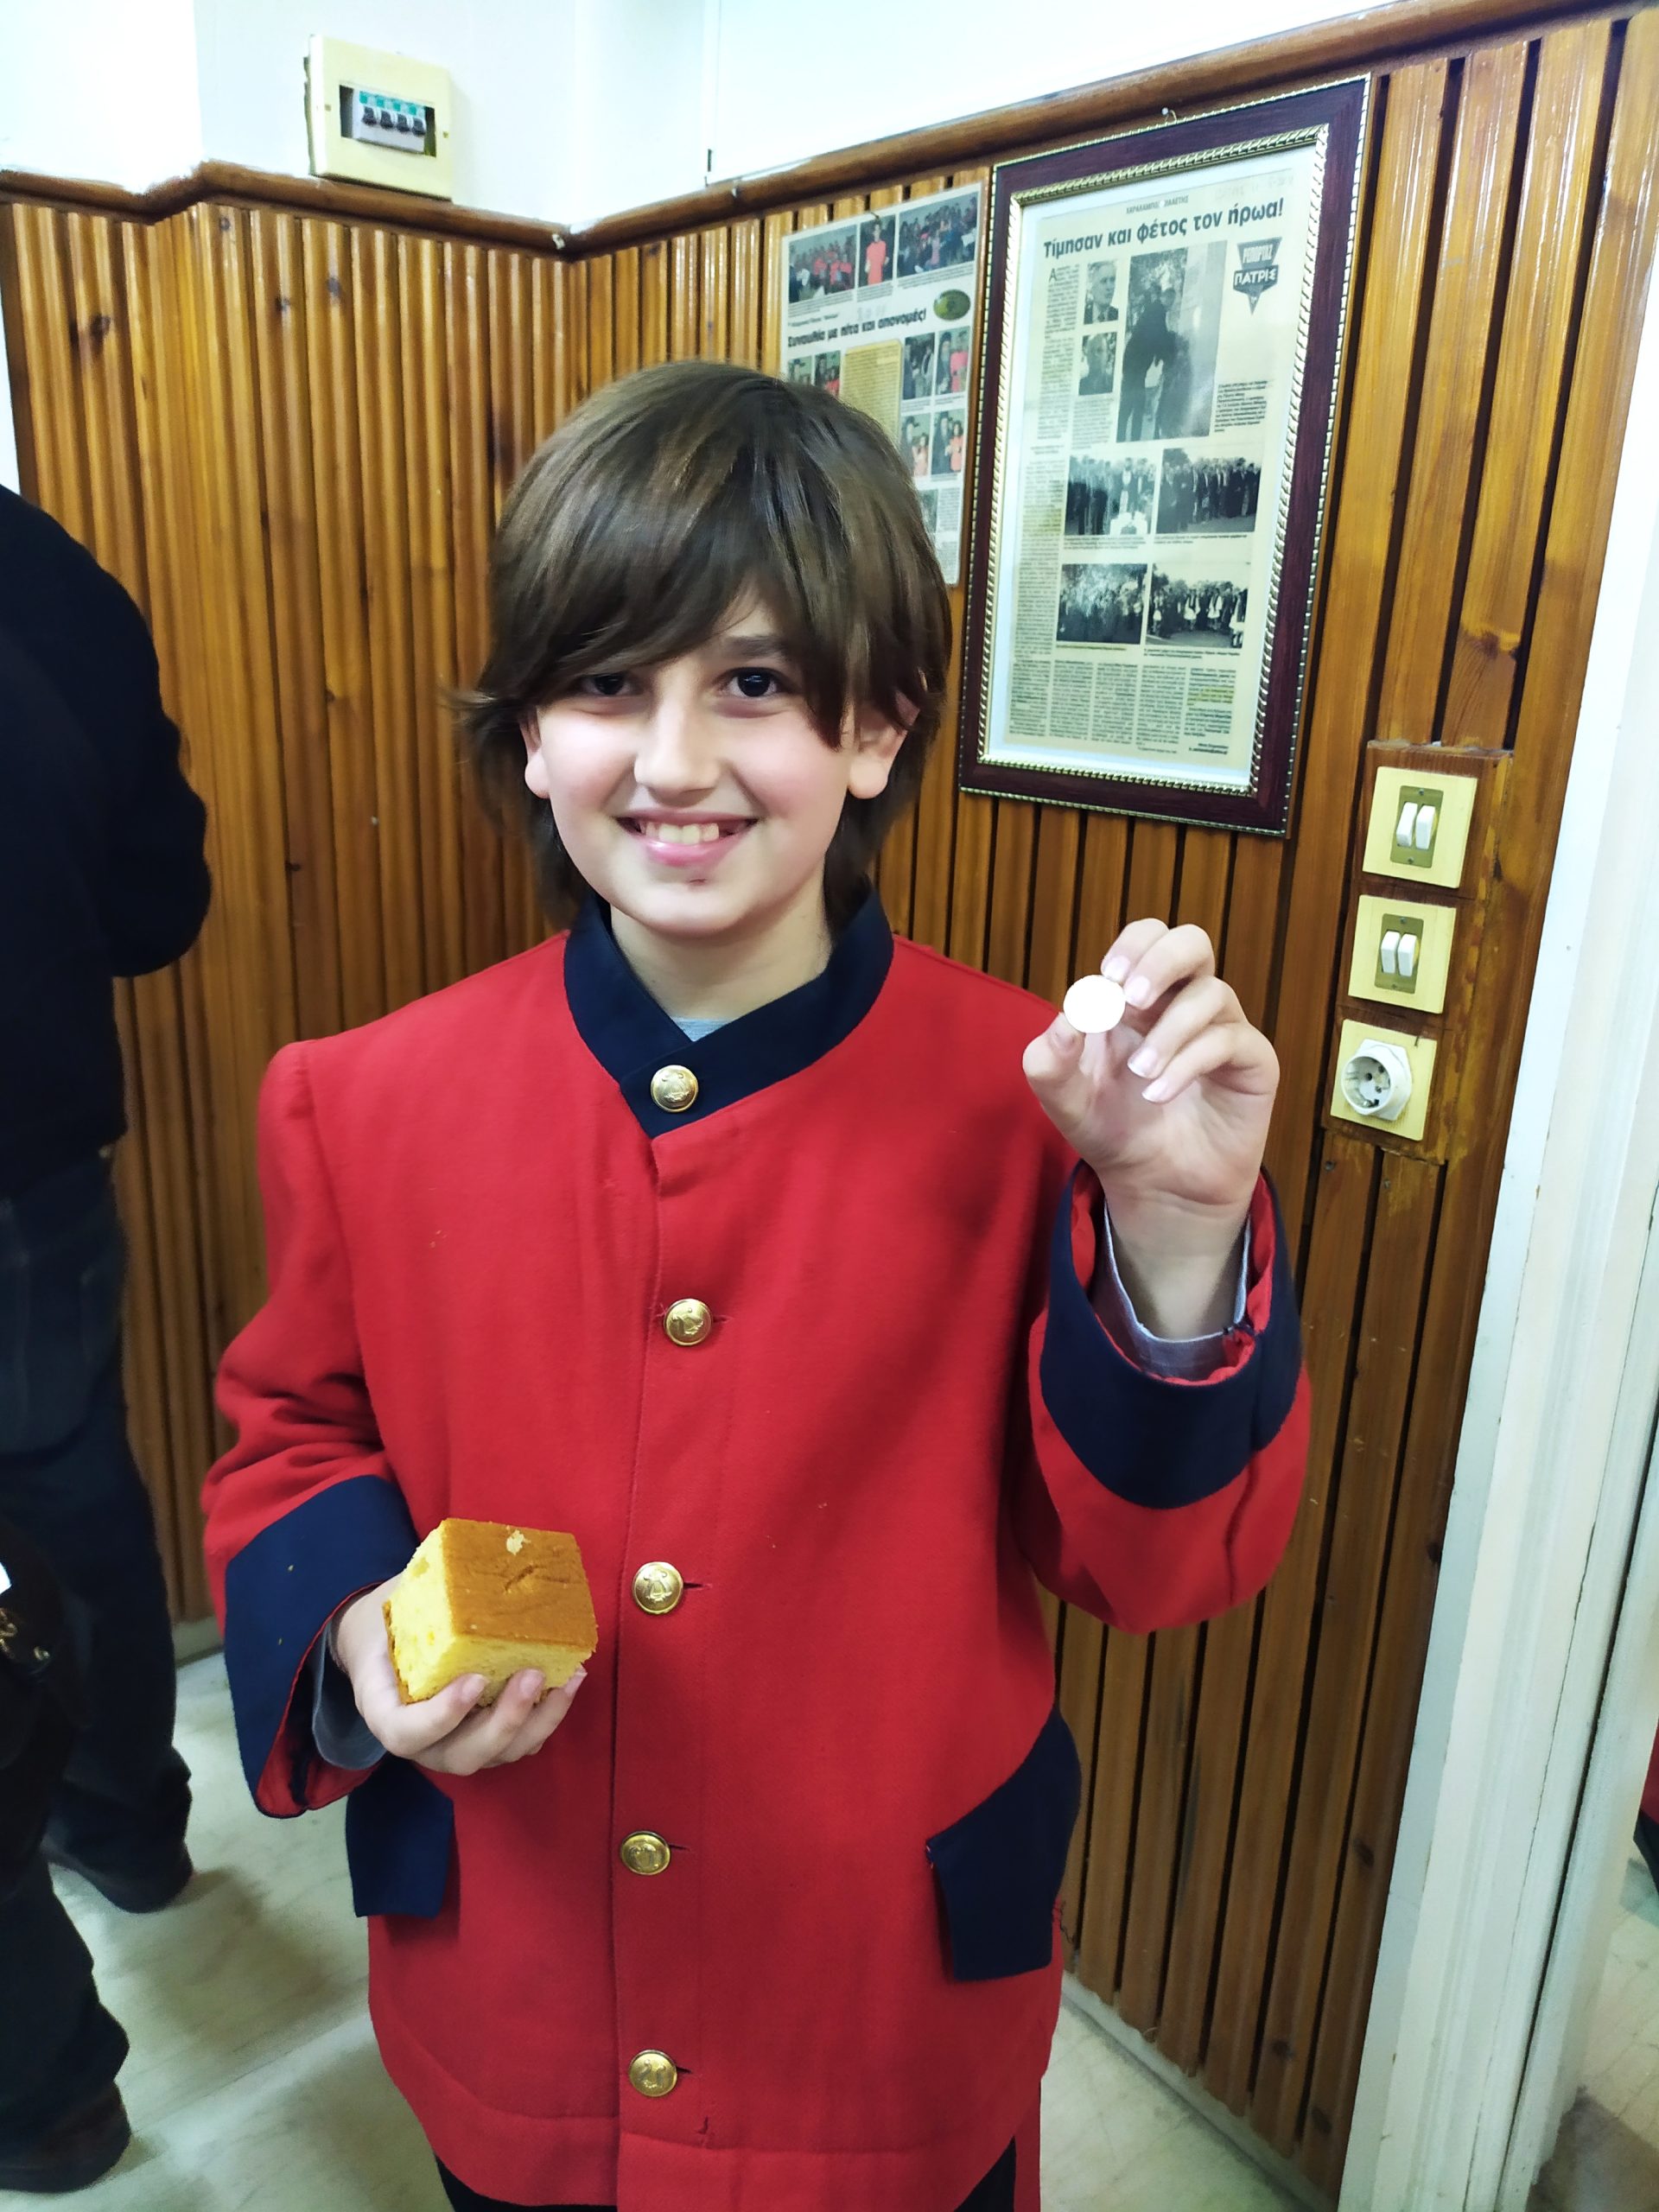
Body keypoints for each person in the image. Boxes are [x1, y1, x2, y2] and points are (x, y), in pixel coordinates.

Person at [200, 361, 1306, 2212]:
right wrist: (355, 1632)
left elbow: (1159, 1568)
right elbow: (294, 1432)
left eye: (759, 683)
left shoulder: (1039, 1107)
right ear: (530, 732)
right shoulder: (362, 1097)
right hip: (515, 1987)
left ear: (876, 728)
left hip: (882, 2013)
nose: (674, 762)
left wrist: (1178, 1231)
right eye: (606, 681)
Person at [0, 485, 210, 2193]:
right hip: (32, 1169)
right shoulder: (42, 573)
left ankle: (46, 2080)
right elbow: (156, 905)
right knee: (83, 1506)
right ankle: (131, 1828)